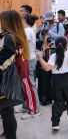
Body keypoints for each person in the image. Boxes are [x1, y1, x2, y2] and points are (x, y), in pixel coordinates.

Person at [36, 36, 68, 131]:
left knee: (57, 101)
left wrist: (40, 58)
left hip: (56, 81)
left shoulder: (53, 56)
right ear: (67, 45)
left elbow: (47, 68)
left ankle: (55, 123)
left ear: (55, 46)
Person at [0, 10, 30, 139]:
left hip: (4, 79)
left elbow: (6, 57)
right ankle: (8, 133)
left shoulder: (9, 37)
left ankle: (10, 136)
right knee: (7, 110)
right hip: (10, 77)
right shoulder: (15, 35)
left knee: (6, 111)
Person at [20, 15, 41, 120]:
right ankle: (27, 106)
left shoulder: (28, 31)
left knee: (30, 84)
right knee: (26, 84)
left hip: (29, 59)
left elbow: (23, 43)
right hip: (28, 59)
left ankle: (34, 110)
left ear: (25, 20)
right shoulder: (27, 30)